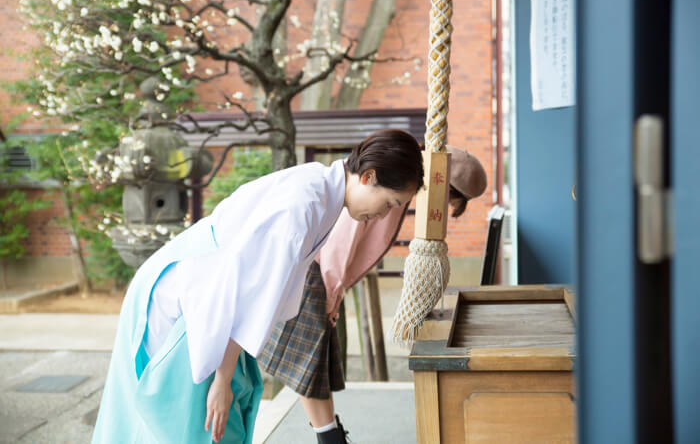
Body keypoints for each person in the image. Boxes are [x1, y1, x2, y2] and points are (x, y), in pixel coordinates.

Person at [91, 129, 424, 444]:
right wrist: (221, 381)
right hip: (188, 295)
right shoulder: (304, 205)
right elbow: (247, 296)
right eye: (390, 203)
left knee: (222, 413)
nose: (383, 216)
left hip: (207, 292)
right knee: (196, 424)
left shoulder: (322, 187)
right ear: (369, 177)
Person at [259, 144, 487, 444]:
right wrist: (332, 290)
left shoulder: (400, 186)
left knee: (315, 362)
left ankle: (330, 435)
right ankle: (329, 437)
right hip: (318, 269)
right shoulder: (391, 182)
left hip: (321, 270)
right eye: (450, 200)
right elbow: (341, 240)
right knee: (309, 363)